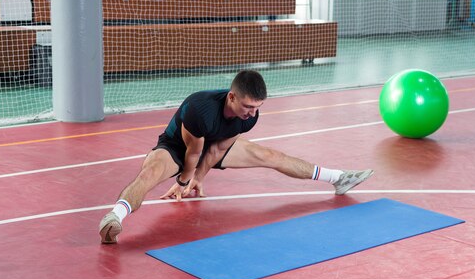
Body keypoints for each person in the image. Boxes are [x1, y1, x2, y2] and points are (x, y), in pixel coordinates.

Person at [99, 70, 373, 244]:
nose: (252, 113)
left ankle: (338, 177)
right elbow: (192, 152)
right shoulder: (200, 108)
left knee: (270, 155)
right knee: (149, 174)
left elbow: (216, 151)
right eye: (248, 106)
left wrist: (199, 179)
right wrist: (184, 182)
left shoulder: (248, 118)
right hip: (176, 147)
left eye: (257, 107)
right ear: (231, 97)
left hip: (212, 144)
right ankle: (114, 218)